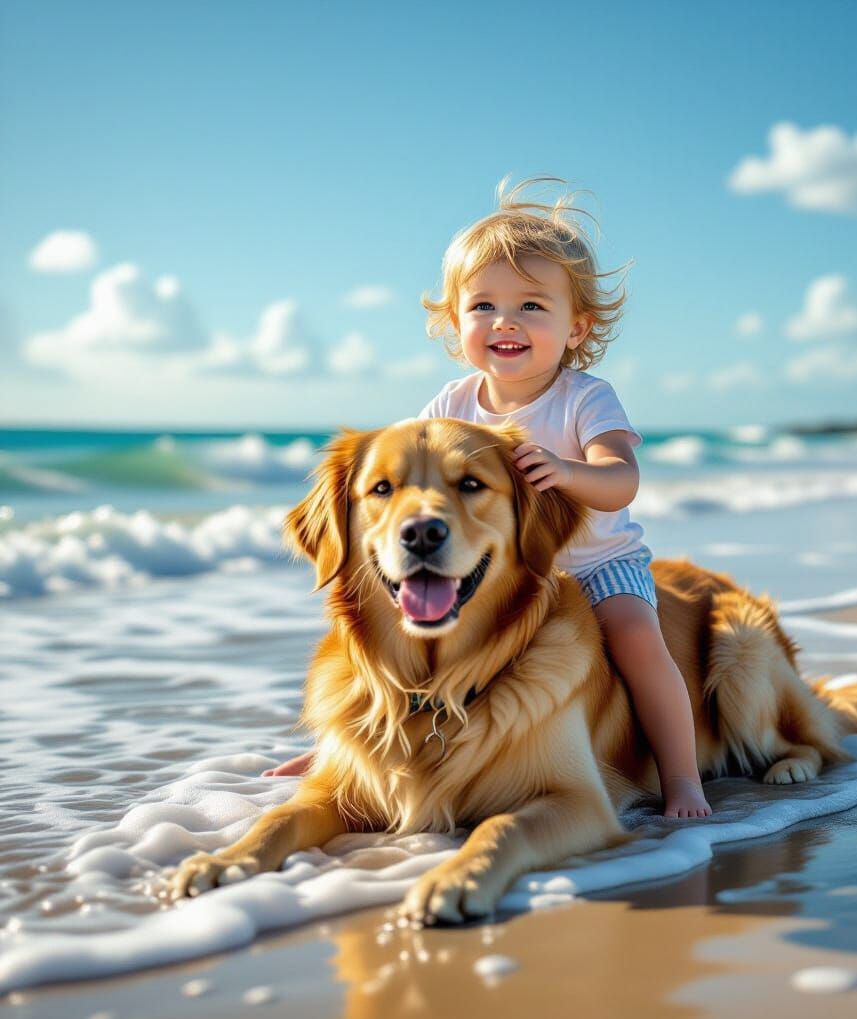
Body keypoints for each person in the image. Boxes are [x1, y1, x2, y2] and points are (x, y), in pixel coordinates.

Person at [267, 177, 711, 819]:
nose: (505, 321)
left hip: (592, 566)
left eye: (533, 306)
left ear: (578, 326)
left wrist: (564, 470)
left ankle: (682, 780)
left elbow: (623, 479)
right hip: (497, 573)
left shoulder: (585, 398)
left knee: (639, 641)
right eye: (482, 306)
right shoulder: (449, 407)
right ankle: (354, 749)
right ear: (454, 322)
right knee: (397, 632)